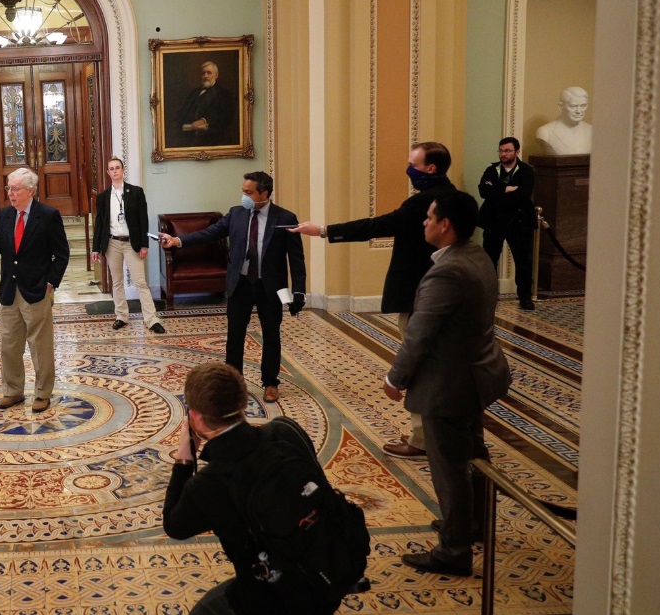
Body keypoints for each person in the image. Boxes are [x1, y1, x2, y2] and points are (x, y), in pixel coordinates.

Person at [163, 363, 381, 615]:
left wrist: (184, 458)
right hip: (331, 573)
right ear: (243, 403)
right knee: (294, 585)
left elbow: (173, 526)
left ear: (197, 419)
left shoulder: (209, 483)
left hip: (268, 599)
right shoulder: (285, 431)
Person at [290, 141, 456, 457]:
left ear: (430, 168)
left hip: (419, 295)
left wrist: (323, 230)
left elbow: (378, 225)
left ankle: (422, 439)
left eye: (413, 165)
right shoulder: (452, 194)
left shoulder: (423, 202)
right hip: (437, 294)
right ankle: (440, 433)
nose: (408, 169)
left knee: (419, 366)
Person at [384, 191, 512, 576]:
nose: (424, 222)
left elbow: (419, 334)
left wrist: (395, 378)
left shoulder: (447, 271)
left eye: (429, 217)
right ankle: (473, 524)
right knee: (473, 451)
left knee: (449, 468)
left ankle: (454, 550)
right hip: (477, 374)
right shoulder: (476, 254)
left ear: (445, 225)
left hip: (449, 384)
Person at [159, 171, 305, 403]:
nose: (244, 196)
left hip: (270, 286)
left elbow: (296, 259)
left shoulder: (285, 217)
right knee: (235, 335)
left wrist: (298, 291)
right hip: (240, 283)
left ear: (264, 193)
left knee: (271, 335)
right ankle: (234, 382)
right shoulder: (237, 213)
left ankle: (270, 382)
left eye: (249, 192)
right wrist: (178, 240)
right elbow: (210, 233)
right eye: (243, 191)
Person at [0, 168, 69, 413]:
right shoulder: (5, 215)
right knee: (9, 345)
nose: (10, 193)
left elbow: (62, 254)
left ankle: (42, 393)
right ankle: (13, 391)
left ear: (30, 191)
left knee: (40, 346)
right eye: (8, 188)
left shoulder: (48, 215)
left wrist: (51, 282)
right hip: (10, 290)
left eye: (15, 189)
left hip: (37, 290)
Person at [90, 156, 165, 334]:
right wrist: (95, 248)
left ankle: (151, 319)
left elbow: (143, 220)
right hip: (112, 243)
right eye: (111, 168)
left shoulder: (136, 192)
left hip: (132, 243)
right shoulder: (103, 197)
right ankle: (121, 316)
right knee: (117, 282)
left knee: (140, 282)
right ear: (108, 173)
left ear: (123, 171)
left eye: (118, 167)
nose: (115, 171)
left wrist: (144, 245)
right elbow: (99, 223)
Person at [478, 137, 537, 309]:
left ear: (517, 152)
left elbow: (523, 195)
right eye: (501, 150)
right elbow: (483, 191)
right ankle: (488, 296)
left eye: (507, 151)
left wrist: (497, 193)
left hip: (519, 221)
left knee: (523, 261)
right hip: (494, 221)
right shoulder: (492, 170)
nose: (503, 154)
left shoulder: (526, 171)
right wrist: (506, 189)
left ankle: (525, 297)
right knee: (489, 260)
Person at [167, 60, 234, 149]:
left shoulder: (223, 93)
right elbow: (183, 111)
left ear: (216, 75)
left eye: (209, 73)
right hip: (187, 135)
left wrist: (203, 120)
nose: (205, 76)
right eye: (203, 73)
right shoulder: (194, 92)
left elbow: (224, 116)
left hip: (210, 138)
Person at [534, 86, 593, 155]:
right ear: (560, 106)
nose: (579, 111)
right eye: (573, 106)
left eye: (583, 106)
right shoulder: (545, 132)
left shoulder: (592, 130)